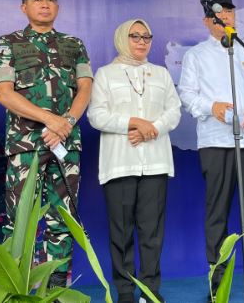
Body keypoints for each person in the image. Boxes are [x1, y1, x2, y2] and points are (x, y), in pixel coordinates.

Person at [178, 0, 244, 303]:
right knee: (217, 212)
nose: (222, 18)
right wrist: (212, 106)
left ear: (234, 16)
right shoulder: (196, 55)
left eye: (227, 13)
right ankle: (218, 279)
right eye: (216, 15)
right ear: (206, 21)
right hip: (215, 140)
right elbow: (187, 94)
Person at [0, 0, 93, 287]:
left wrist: (68, 123)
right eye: (37, 0)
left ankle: (56, 285)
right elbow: (3, 93)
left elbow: (86, 87)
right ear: (25, 7)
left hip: (65, 143)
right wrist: (51, 119)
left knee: (63, 217)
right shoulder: (7, 43)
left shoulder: (74, 44)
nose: (45, 4)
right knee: (19, 219)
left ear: (58, 7)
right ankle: (15, 286)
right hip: (26, 146)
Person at [87, 19, 182, 303]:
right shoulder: (105, 74)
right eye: (135, 36)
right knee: (121, 231)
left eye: (147, 37)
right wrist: (134, 122)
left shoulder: (161, 73)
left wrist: (150, 129)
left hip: (155, 162)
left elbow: (174, 111)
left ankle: (150, 291)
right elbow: (96, 116)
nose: (142, 42)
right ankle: (126, 291)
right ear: (121, 39)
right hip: (120, 164)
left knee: (152, 232)